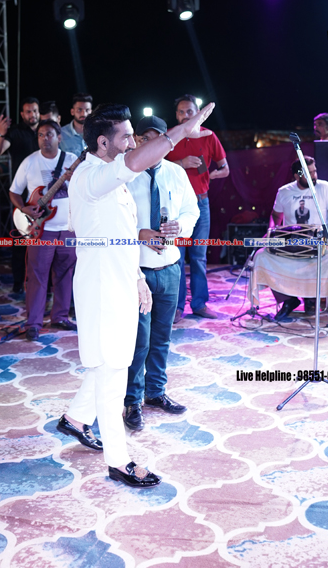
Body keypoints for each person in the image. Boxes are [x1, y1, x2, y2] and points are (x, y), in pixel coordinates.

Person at [56, 100, 215, 488]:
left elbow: (121, 236)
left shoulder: (111, 179)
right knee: (113, 372)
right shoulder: (92, 177)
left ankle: (75, 418)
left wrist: (138, 278)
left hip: (122, 281)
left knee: (108, 361)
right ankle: (119, 461)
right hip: (102, 290)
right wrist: (182, 131)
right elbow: (132, 163)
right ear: (103, 143)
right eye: (126, 137)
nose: (131, 143)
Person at [123, 115, 199, 431]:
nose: (151, 144)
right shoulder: (125, 174)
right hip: (137, 270)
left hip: (170, 267)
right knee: (138, 341)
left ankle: (155, 392)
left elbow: (192, 210)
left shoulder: (176, 173)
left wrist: (180, 226)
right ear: (137, 141)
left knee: (162, 337)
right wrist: (139, 233)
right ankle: (132, 400)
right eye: (145, 138)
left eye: (158, 138)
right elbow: (113, 223)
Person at [250, 155, 328, 321]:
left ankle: (311, 299)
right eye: (309, 173)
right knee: (261, 256)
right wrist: (272, 230)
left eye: (315, 171)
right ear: (297, 176)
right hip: (290, 242)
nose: (314, 176)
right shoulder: (284, 192)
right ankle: (288, 299)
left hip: (317, 243)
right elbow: (276, 216)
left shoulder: (325, 188)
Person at [9, 120, 77, 339]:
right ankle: (33, 323)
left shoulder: (72, 160)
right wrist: (23, 208)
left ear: (59, 137)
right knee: (37, 275)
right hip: (41, 229)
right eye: (40, 135)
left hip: (68, 228)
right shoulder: (29, 162)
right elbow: (14, 191)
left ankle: (60, 317)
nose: (45, 139)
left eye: (49, 134)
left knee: (65, 273)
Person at [166, 95, 229, 321]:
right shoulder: (169, 136)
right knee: (177, 257)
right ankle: (177, 307)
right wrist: (181, 164)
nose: (186, 116)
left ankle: (200, 304)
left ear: (199, 113)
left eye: (190, 112)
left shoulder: (208, 135)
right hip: (176, 205)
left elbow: (225, 168)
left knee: (199, 257)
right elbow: (155, 164)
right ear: (176, 115)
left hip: (201, 202)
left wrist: (210, 175)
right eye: (181, 112)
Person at [0, 97, 40, 295]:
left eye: (35, 111)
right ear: (22, 114)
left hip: (46, 194)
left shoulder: (46, 130)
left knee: (45, 240)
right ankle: (18, 282)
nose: (32, 115)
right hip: (21, 193)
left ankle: (45, 284)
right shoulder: (16, 132)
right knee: (20, 240)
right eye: (28, 111)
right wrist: (2, 133)